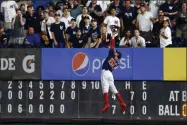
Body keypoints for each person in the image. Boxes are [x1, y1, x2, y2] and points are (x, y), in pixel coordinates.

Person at [101, 33, 126, 113]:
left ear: (116, 54)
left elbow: (112, 45)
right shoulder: (117, 63)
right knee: (114, 90)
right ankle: (122, 103)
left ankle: (107, 104)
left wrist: (112, 37)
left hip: (105, 72)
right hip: (110, 75)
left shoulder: (112, 54)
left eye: (116, 52)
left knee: (105, 89)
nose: (115, 52)